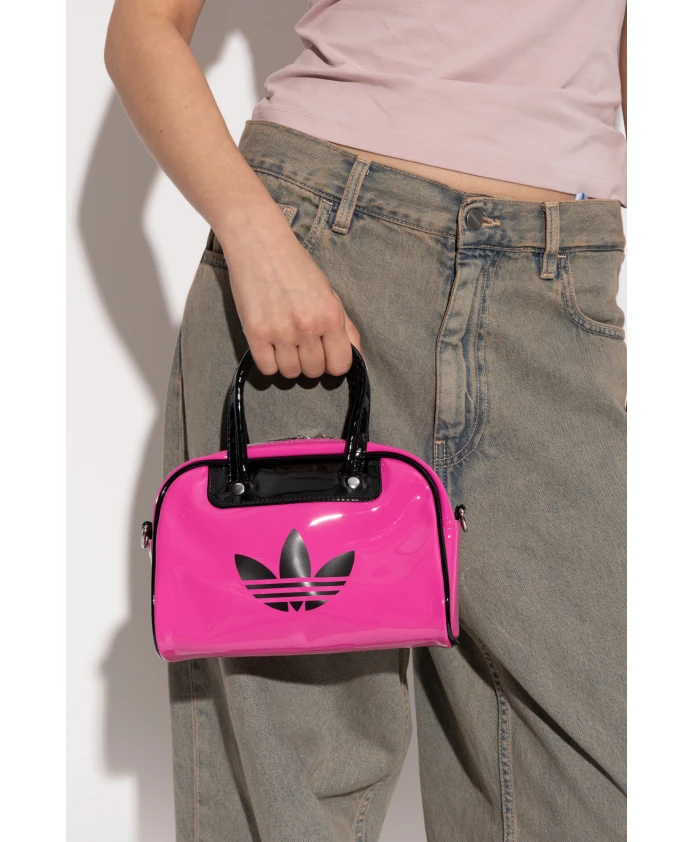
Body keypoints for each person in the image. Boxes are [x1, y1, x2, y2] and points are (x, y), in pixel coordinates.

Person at [105, 1, 627, 839]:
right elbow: (141, 30)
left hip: (557, 284)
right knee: (292, 809)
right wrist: (254, 238)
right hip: (319, 270)